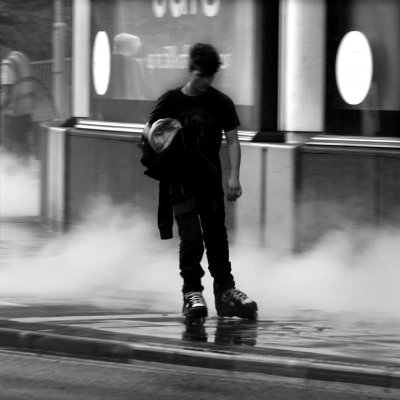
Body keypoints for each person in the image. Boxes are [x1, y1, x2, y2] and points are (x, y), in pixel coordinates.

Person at [142, 43, 257, 322]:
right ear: (191, 70)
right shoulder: (170, 101)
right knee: (191, 238)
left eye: (210, 77)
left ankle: (226, 293)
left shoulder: (220, 102)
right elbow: (149, 134)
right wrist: (161, 136)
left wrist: (234, 176)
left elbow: (232, 139)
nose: (205, 82)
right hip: (180, 182)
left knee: (217, 237)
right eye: (201, 76)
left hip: (209, 180)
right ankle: (191, 293)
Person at [0, 50, 34, 161]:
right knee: (23, 143)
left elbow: (7, 93)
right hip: (27, 111)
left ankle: (8, 176)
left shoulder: (7, 64)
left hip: (13, 113)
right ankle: (24, 173)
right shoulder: (22, 58)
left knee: (7, 145)